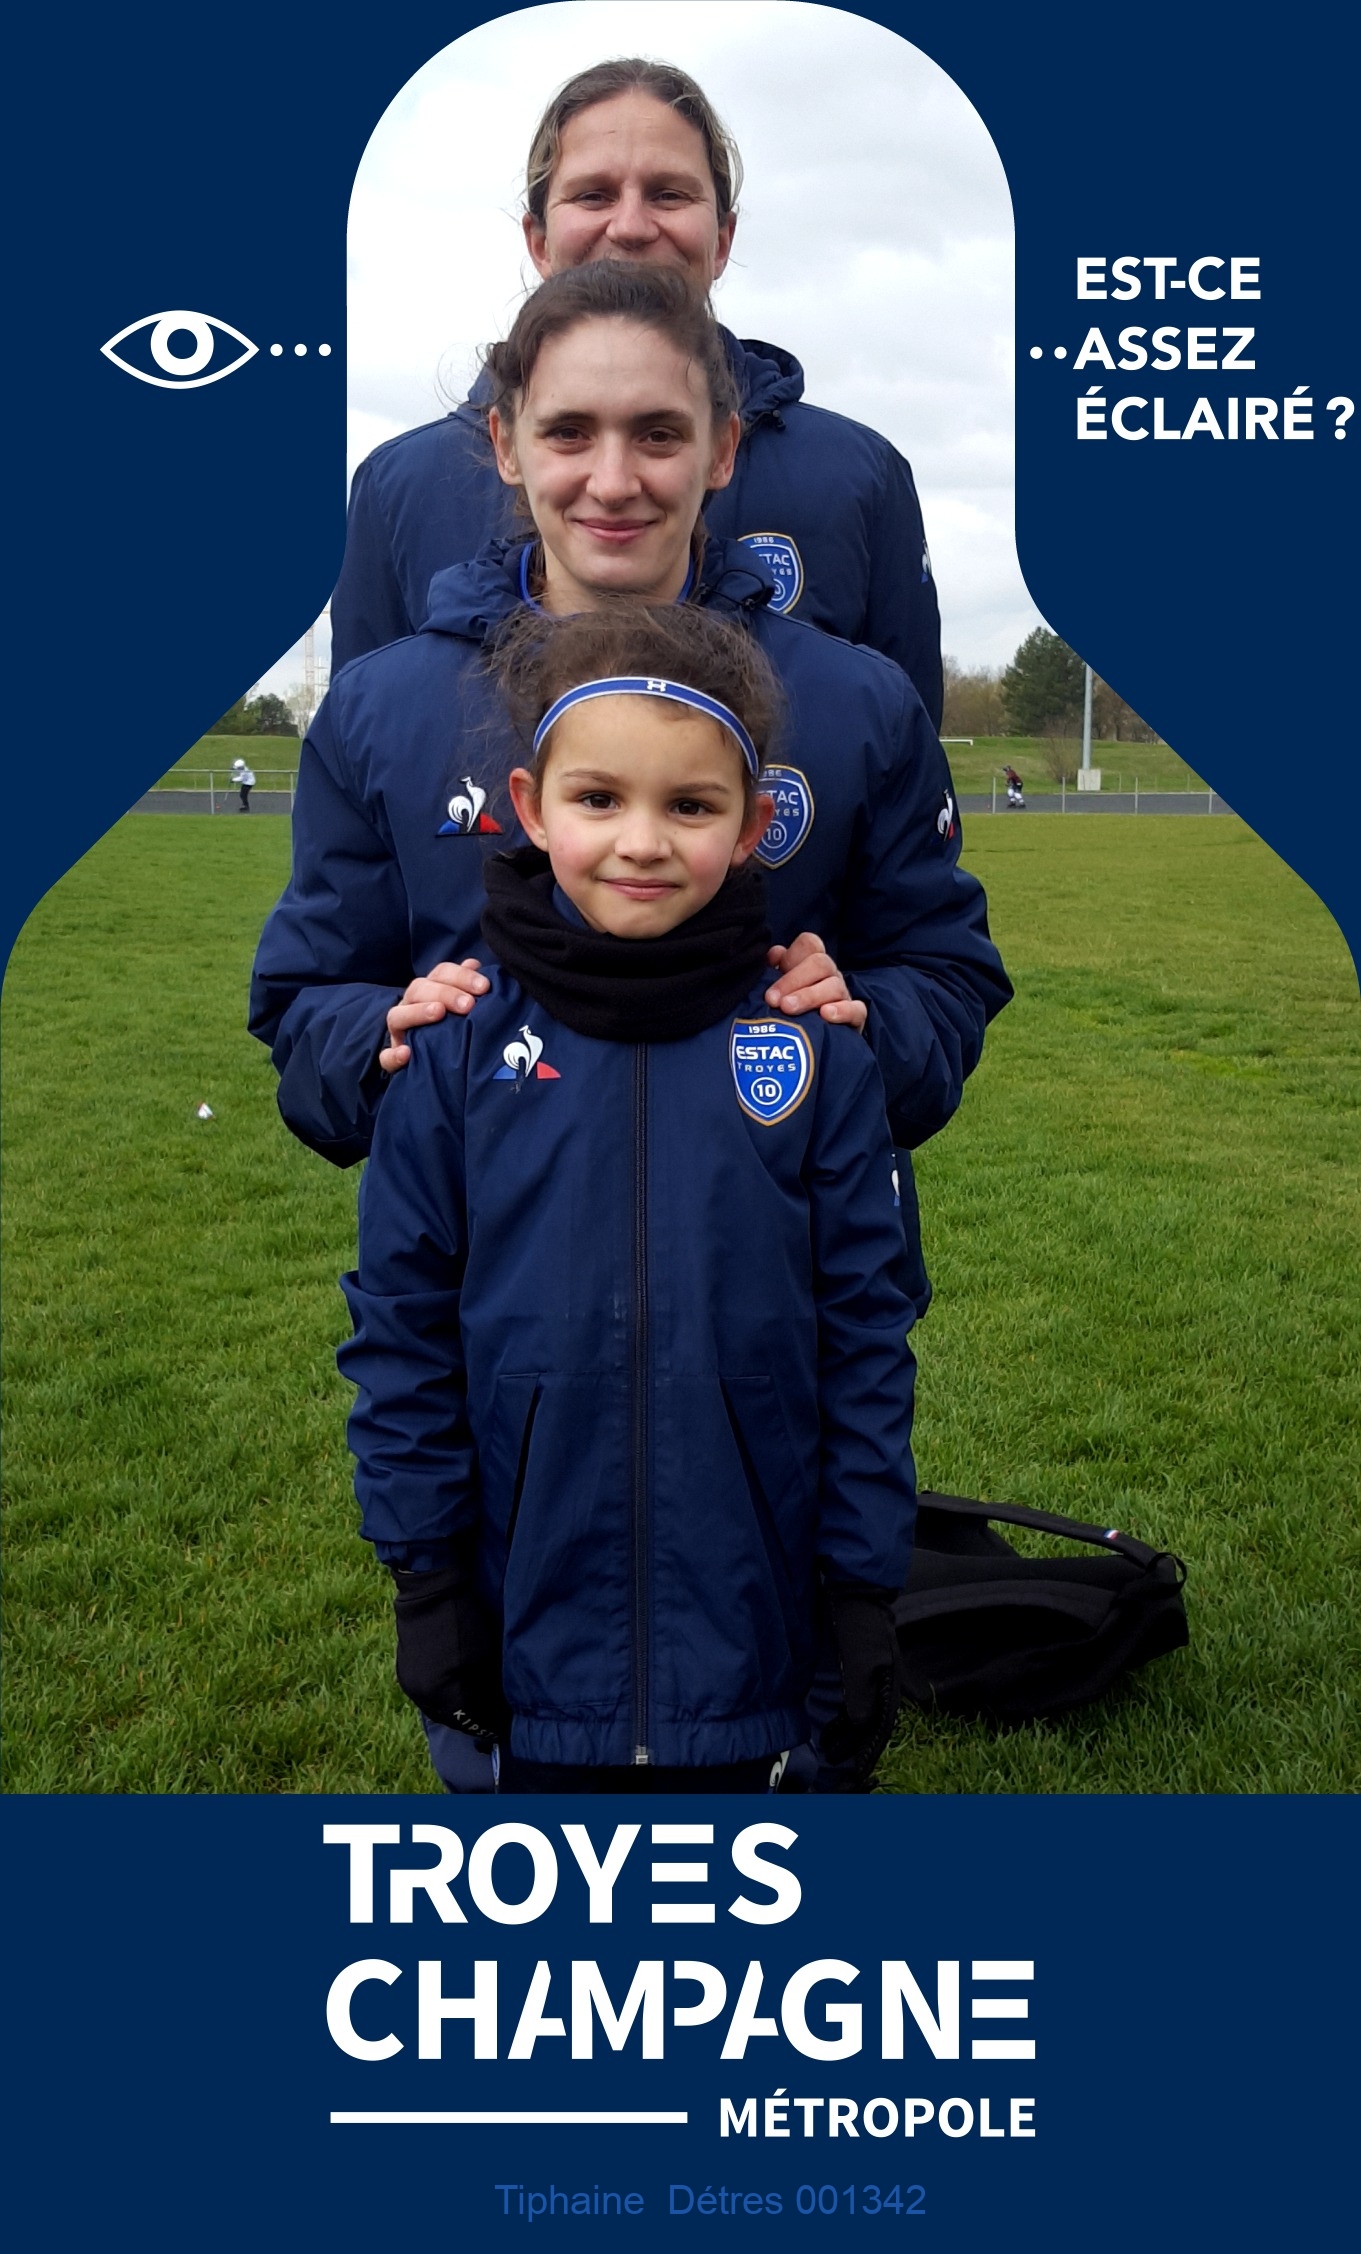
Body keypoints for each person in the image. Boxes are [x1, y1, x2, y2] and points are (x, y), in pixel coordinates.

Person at [250, 262, 1010, 1788]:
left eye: (658, 432)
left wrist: (866, 1020)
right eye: (570, 431)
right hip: (522, 1418)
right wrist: (381, 1037)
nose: (614, 476)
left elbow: (947, 972)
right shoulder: (386, 707)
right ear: (504, 441)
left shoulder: (853, 700)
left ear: (723, 448)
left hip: (763, 1366)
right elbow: (304, 1006)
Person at [338, 600, 917, 1792]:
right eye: (598, 798)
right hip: (523, 1633)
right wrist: (426, 1578)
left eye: (689, 806)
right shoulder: (451, 1050)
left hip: (758, 1636)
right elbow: (399, 1331)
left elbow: (867, 1338)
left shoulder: (814, 1053)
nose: (640, 842)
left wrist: (861, 1589)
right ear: (530, 806)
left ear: (753, 826)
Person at [332, 57, 943, 726]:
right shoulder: (400, 487)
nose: (629, 226)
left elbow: (901, 748)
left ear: (722, 238)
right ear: (538, 240)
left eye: (668, 195)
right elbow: (368, 741)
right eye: (593, 195)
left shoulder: (858, 475)